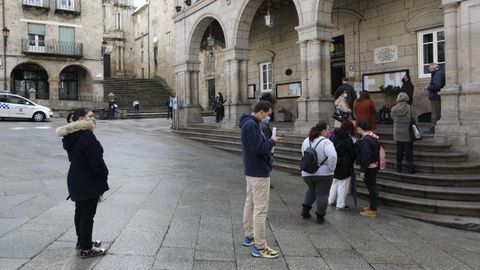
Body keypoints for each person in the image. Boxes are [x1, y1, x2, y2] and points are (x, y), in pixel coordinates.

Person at [56, 108, 109, 258]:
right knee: (87, 215)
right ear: (81, 119)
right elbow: (96, 161)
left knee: (80, 211)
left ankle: (82, 241)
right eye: (90, 116)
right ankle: (87, 248)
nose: (92, 119)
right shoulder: (87, 135)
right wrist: (104, 173)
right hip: (87, 179)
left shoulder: (71, 135)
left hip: (76, 176)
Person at [239, 101, 281, 259]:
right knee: (260, 210)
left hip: (251, 170)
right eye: (268, 114)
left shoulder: (247, 123)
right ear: (261, 112)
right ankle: (260, 246)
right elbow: (259, 149)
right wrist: (272, 141)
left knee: (250, 203)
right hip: (258, 172)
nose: (268, 117)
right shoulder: (252, 125)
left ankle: (249, 236)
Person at [300, 121, 337, 224]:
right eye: (328, 130)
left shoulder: (306, 140)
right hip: (324, 174)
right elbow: (333, 156)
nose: (329, 132)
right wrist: (331, 168)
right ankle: (320, 216)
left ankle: (305, 211)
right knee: (322, 195)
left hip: (307, 173)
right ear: (324, 131)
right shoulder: (326, 142)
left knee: (311, 190)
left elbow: (304, 155)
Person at [328, 120, 356, 210]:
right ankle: (340, 204)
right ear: (348, 129)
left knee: (334, 182)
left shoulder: (332, 136)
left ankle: (330, 200)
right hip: (345, 165)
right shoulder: (347, 139)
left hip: (334, 163)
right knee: (343, 184)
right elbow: (352, 153)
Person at [356, 120, 380, 217]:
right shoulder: (372, 137)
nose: (357, 129)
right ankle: (372, 207)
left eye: (357, 127)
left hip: (369, 168)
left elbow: (366, 156)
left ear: (361, 128)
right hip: (374, 166)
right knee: (372, 187)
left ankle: (372, 210)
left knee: (372, 188)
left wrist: (362, 170)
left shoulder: (366, 140)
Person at [391, 92, 416, 174]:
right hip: (407, 131)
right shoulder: (410, 108)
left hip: (398, 131)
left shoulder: (394, 109)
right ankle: (410, 168)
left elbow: (393, 118)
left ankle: (398, 167)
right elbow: (415, 119)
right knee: (408, 150)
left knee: (399, 150)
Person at [425, 63, 445, 133]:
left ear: (434, 68)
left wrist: (428, 87)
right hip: (436, 96)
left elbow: (437, 86)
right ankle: (434, 128)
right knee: (436, 113)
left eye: (430, 69)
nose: (430, 71)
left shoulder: (438, 74)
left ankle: (433, 129)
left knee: (435, 114)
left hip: (435, 97)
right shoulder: (438, 73)